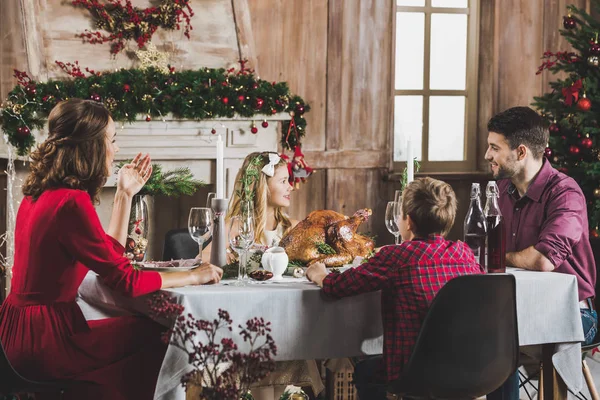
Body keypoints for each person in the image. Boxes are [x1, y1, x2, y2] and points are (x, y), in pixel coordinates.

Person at [0, 99, 223, 400]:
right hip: (48, 341)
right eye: (112, 140)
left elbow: (109, 256)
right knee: (169, 335)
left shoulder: (38, 194)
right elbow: (127, 281)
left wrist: (124, 194)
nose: (116, 149)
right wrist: (195, 275)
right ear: (92, 146)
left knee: (142, 331)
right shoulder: (71, 202)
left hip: (14, 331)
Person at [306, 177, 483, 399]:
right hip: (466, 368)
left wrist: (321, 275)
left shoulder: (397, 256)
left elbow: (340, 287)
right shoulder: (463, 253)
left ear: (408, 221)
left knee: (365, 370)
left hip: (414, 374)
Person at [484, 106, 597, 400]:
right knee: (473, 328)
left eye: (495, 148)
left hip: (572, 316)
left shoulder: (565, 193)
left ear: (521, 152)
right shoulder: (501, 191)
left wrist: (497, 256)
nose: (487, 155)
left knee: (497, 339)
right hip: (511, 309)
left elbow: (543, 260)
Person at [202, 151, 324, 399]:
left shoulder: (292, 229)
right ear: (262, 187)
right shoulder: (234, 227)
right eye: (282, 181)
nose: (291, 187)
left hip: (283, 322)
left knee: (279, 368)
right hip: (243, 324)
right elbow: (205, 262)